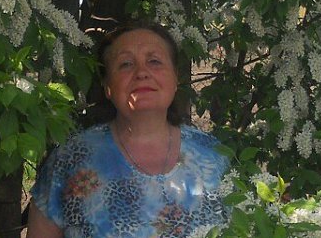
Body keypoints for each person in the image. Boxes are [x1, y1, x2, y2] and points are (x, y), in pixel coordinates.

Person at [27, 22, 229, 238]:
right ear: (107, 86)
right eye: (126, 64)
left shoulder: (215, 157)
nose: (142, 73)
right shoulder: (70, 160)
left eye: (154, 61)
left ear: (175, 78)